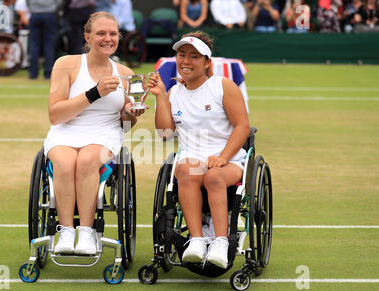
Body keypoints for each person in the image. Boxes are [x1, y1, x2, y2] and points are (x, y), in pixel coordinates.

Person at [45, 11, 144, 255]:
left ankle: (87, 232)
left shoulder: (127, 74)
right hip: (65, 130)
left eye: (113, 34)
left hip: (105, 133)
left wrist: (131, 114)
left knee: (88, 160)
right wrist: (94, 93)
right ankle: (66, 231)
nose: (107, 38)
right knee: (65, 162)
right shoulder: (65, 64)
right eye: (101, 33)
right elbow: (56, 115)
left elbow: (125, 126)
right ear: (87, 37)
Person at [148, 31, 250, 269]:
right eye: (181, 55)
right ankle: (196, 240)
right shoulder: (174, 92)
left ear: (206, 62)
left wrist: (223, 157)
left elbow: (242, 126)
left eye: (194, 56)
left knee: (213, 176)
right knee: (184, 170)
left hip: (230, 161)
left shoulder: (222, 86)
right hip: (192, 161)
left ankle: (221, 242)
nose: (186, 61)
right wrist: (161, 97)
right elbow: (164, 134)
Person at [26, 0, 60, 79]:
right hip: (49, 14)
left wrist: (33, 8)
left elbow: (27, 2)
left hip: (35, 13)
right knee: (49, 44)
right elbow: (59, 1)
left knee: (33, 44)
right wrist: (53, 8)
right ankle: (48, 73)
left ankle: (33, 73)